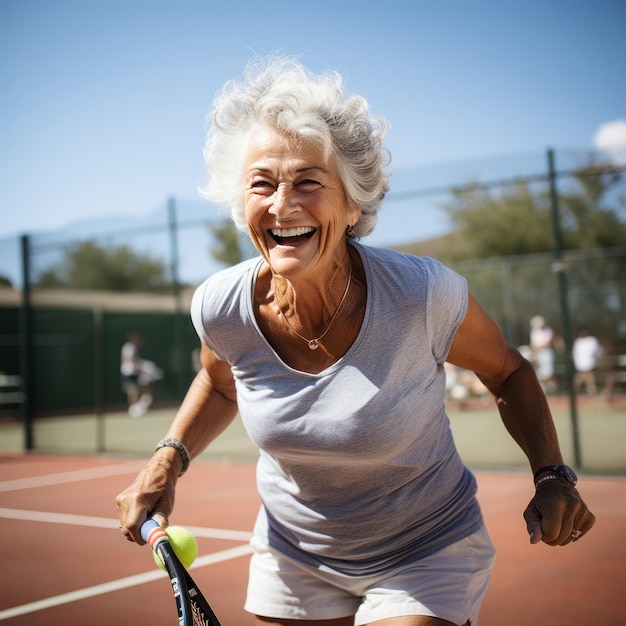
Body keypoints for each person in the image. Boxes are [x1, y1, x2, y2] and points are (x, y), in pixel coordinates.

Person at [116, 56, 595, 626]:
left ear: (352, 205)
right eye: (261, 183)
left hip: (425, 550)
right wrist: (165, 463)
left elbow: (509, 372)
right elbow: (220, 385)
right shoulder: (221, 307)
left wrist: (551, 475)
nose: (281, 204)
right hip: (292, 553)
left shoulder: (422, 294)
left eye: (308, 182)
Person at [120, 332, 163, 417]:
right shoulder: (129, 347)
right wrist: (143, 369)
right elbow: (130, 360)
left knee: (136, 389)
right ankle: (134, 409)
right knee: (132, 390)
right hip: (130, 373)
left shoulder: (131, 347)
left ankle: (137, 408)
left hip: (133, 372)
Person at [529, 315, 557, 392]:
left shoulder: (548, 330)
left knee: (548, 371)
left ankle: (550, 386)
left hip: (546, 352)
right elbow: (533, 344)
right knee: (538, 370)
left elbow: (546, 343)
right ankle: (542, 388)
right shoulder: (534, 331)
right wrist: (535, 352)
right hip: (537, 352)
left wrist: (538, 347)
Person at [573, 327, 603, 395]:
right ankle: (590, 390)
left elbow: (597, 351)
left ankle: (587, 390)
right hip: (582, 364)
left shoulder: (592, 340)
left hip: (589, 363)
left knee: (586, 376)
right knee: (586, 377)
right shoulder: (578, 341)